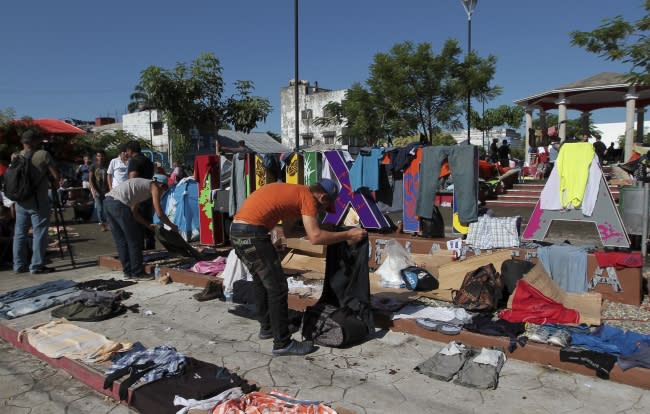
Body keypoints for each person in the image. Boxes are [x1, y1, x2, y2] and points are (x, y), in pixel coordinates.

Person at [230, 179, 367, 356]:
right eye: (323, 208)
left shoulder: (296, 195)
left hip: (237, 232)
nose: (319, 213)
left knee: (261, 280)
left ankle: (268, 327)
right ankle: (282, 343)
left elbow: (290, 232)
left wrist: (325, 230)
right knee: (278, 288)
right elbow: (316, 238)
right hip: (253, 234)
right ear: (323, 197)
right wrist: (348, 234)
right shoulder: (308, 198)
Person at [104, 174, 178, 280]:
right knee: (134, 240)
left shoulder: (141, 187)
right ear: (160, 184)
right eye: (165, 188)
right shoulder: (154, 186)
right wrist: (172, 226)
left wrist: (147, 225)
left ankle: (128, 271)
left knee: (121, 241)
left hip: (108, 203)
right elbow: (160, 213)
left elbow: (134, 213)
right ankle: (137, 273)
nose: (163, 191)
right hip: (119, 205)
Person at [12, 130, 60, 274]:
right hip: (38, 201)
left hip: (20, 201)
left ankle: (18, 265)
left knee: (20, 233)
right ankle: (36, 265)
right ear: (34, 141)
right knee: (39, 233)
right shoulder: (43, 155)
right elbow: (56, 177)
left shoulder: (15, 156)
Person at [125, 140, 156, 250]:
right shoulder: (148, 161)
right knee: (147, 219)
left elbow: (132, 178)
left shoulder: (134, 161)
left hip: (137, 195)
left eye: (127, 151)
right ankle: (150, 245)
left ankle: (140, 248)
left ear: (130, 150)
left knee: (137, 221)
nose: (126, 154)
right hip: (148, 193)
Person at [89, 151, 110, 232]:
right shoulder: (93, 166)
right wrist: (93, 189)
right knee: (100, 208)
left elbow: (109, 177)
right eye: (98, 156)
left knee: (107, 208)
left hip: (105, 190)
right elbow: (90, 179)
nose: (100, 157)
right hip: (96, 190)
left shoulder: (106, 166)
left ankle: (108, 224)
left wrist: (110, 189)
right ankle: (102, 224)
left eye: (102, 156)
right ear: (96, 157)